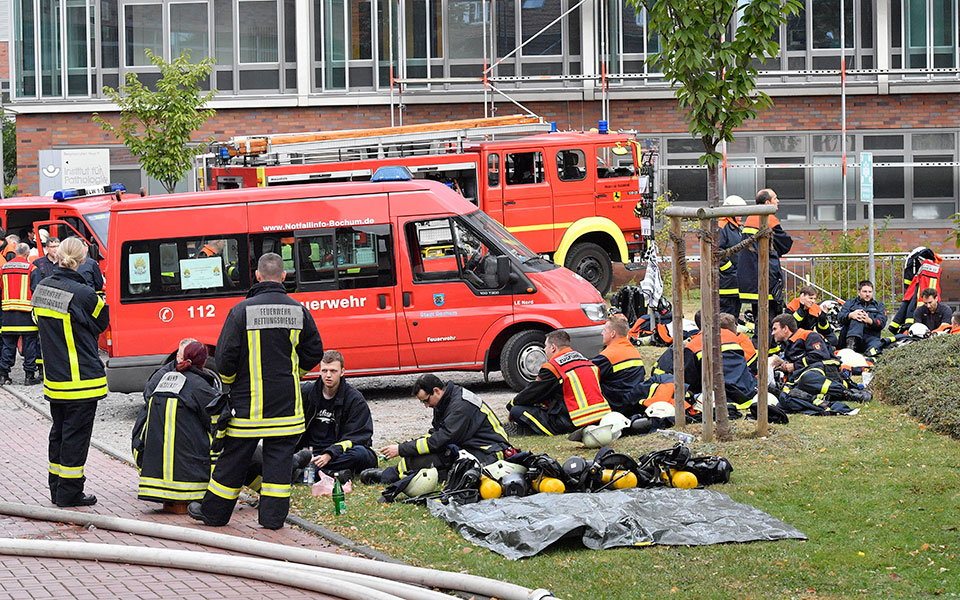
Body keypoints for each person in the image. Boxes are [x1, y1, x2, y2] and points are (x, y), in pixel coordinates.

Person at [189, 253, 324, 530]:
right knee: (278, 461)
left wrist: (231, 381)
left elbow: (225, 356)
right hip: (287, 408)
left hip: (247, 406)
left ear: (258, 276)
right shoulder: (298, 310)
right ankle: (273, 519)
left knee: (234, 458)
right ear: (284, 277)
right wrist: (294, 374)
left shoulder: (241, 311)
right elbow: (315, 352)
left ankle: (214, 514)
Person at [31, 236, 109, 507]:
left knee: (59, 434)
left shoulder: (41, 288)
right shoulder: (83, 293)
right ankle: (70, 493)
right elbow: (102, 321)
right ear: (83, 260)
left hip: (55, 380)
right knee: (76, 438)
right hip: (82, 379)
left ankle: (56, 488)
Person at [361, 373, 511, 485]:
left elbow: (440, 440)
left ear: (437, 390)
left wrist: (401, 449)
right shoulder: (446, 400)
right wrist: (409, 445)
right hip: (473, 444)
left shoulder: (460, 406)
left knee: (446, 460)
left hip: (491, 450)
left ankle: (391, 475)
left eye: (426, 401)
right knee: (433, 455)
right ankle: (394, 473)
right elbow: (435, 434)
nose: (426, 406)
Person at [132, 341, 223, 504]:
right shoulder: (199, 387)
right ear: (203, 361)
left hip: (152, 482)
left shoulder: (161, 380)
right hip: (190, 486)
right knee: (245, 453)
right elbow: (218, 422)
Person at [506, 329, 610, 436]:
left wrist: (512, 405)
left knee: (516, 410)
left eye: (545, 346)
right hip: (600, 418)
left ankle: (528, 430)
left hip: (574, 422)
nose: (544, 350)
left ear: (553, 348)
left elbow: (532, 393)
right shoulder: (587, 362)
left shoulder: (553, 367)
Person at [297, 350, 378, 481]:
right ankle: (331, 473)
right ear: (319, 371)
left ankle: (306, 472)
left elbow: (359, 437)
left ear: (342, 372)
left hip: (339, 453)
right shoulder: (306, 393)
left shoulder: (354, 399)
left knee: (362, 454)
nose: (328, 375)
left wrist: (330, 453)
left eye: (333, 371)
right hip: (309, 452)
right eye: (324, 371)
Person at [770, 314, 866, 414]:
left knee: (807, 378)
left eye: (775, 329)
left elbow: (819, 355)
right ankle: (823, 399)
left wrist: (794, 366)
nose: (772, 333)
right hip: (804, 378)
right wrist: (784, 365)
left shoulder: (808, 335)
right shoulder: (787, 345)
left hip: (825, 372)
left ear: (785, 328)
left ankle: (847, 393)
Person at [738, 189, 793, 330]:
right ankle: (763, 348)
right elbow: (785, 243)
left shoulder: (750, 218)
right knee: (769, 321)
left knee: (760, 317)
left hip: (753, 278)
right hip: (766, 277)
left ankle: (767, 348)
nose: (778, 201)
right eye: (775, 198)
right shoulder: (767, 219)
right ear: (767, 203)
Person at [0, 243, 41, 386]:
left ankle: (3, 375)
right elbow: (36, 291)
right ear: (27, 254)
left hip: (7, 314)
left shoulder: (3, 268)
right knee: (29, 345)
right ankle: (29, 376)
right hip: (26, 315)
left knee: (8, 345)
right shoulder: (32, 269)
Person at [591, 314, 646, 415]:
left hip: (614, 406)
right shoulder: (633, 351)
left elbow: (588, 379)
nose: (602, 333)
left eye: (604, 330)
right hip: (634, 403)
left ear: (613, 334)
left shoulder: (607, 356)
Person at [838, 280, 886, 357]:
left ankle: (868, 356)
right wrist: (850, 315)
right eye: (864, 291)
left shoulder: (879, 306)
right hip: (850, 338)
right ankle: (850, 348)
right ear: (859, 292)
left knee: (877, 346)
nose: (867, 294)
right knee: (858, 316)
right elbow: (840, 318)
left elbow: (882, 323)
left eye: (870, 292)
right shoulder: (850, 303)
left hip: (870, 338)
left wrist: (869, 320)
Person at [718, 195, 745, 317]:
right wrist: (729, 270)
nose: (741, 215)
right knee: (725, 318)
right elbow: (717, 252)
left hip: (735, 282)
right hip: (726, 283)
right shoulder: (722, 227)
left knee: (733, 317)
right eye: (738, 211)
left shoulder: (736, 227)